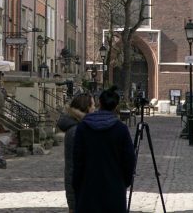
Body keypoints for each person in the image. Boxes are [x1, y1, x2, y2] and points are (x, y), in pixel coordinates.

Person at [72, 85, 135, 213]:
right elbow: (129, 160)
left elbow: (77, 160)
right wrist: (124, 182)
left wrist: (77, 184)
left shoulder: (83, 127)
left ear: (99, 103)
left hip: (88, 188)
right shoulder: (121, 129)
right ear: (116, 106)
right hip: (114, 189)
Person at [57, 92, 95, 213]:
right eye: (93, 105)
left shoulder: (81, 128)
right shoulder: (76, 131)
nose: (95, 108)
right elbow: (73, 167)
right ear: (86, 108)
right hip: (80, 190)